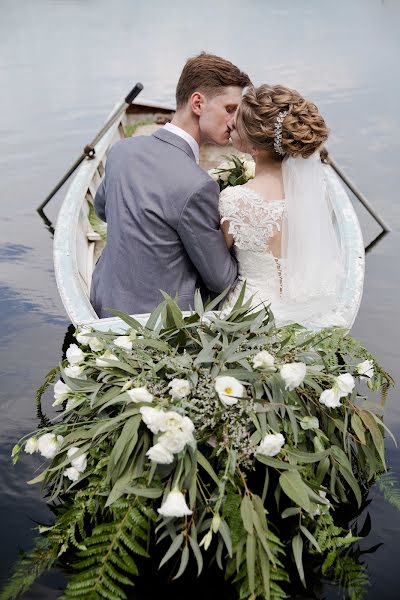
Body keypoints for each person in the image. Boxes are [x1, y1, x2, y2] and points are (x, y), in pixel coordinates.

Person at [90, 53, 251, 318]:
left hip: (102, 299)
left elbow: (103, 211)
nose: (235, 121)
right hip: (158, 321)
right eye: (230, 109)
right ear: (197, 103)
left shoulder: (122, 150)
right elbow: (221, 280)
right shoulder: (198, 185)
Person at [219, 84, 345, 327]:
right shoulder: (314, 195)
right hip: (304, 309)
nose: (230, 126)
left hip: (251, 316)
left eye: (236, 126)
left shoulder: (236, 200)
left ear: (254, 148)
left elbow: (218, 261)